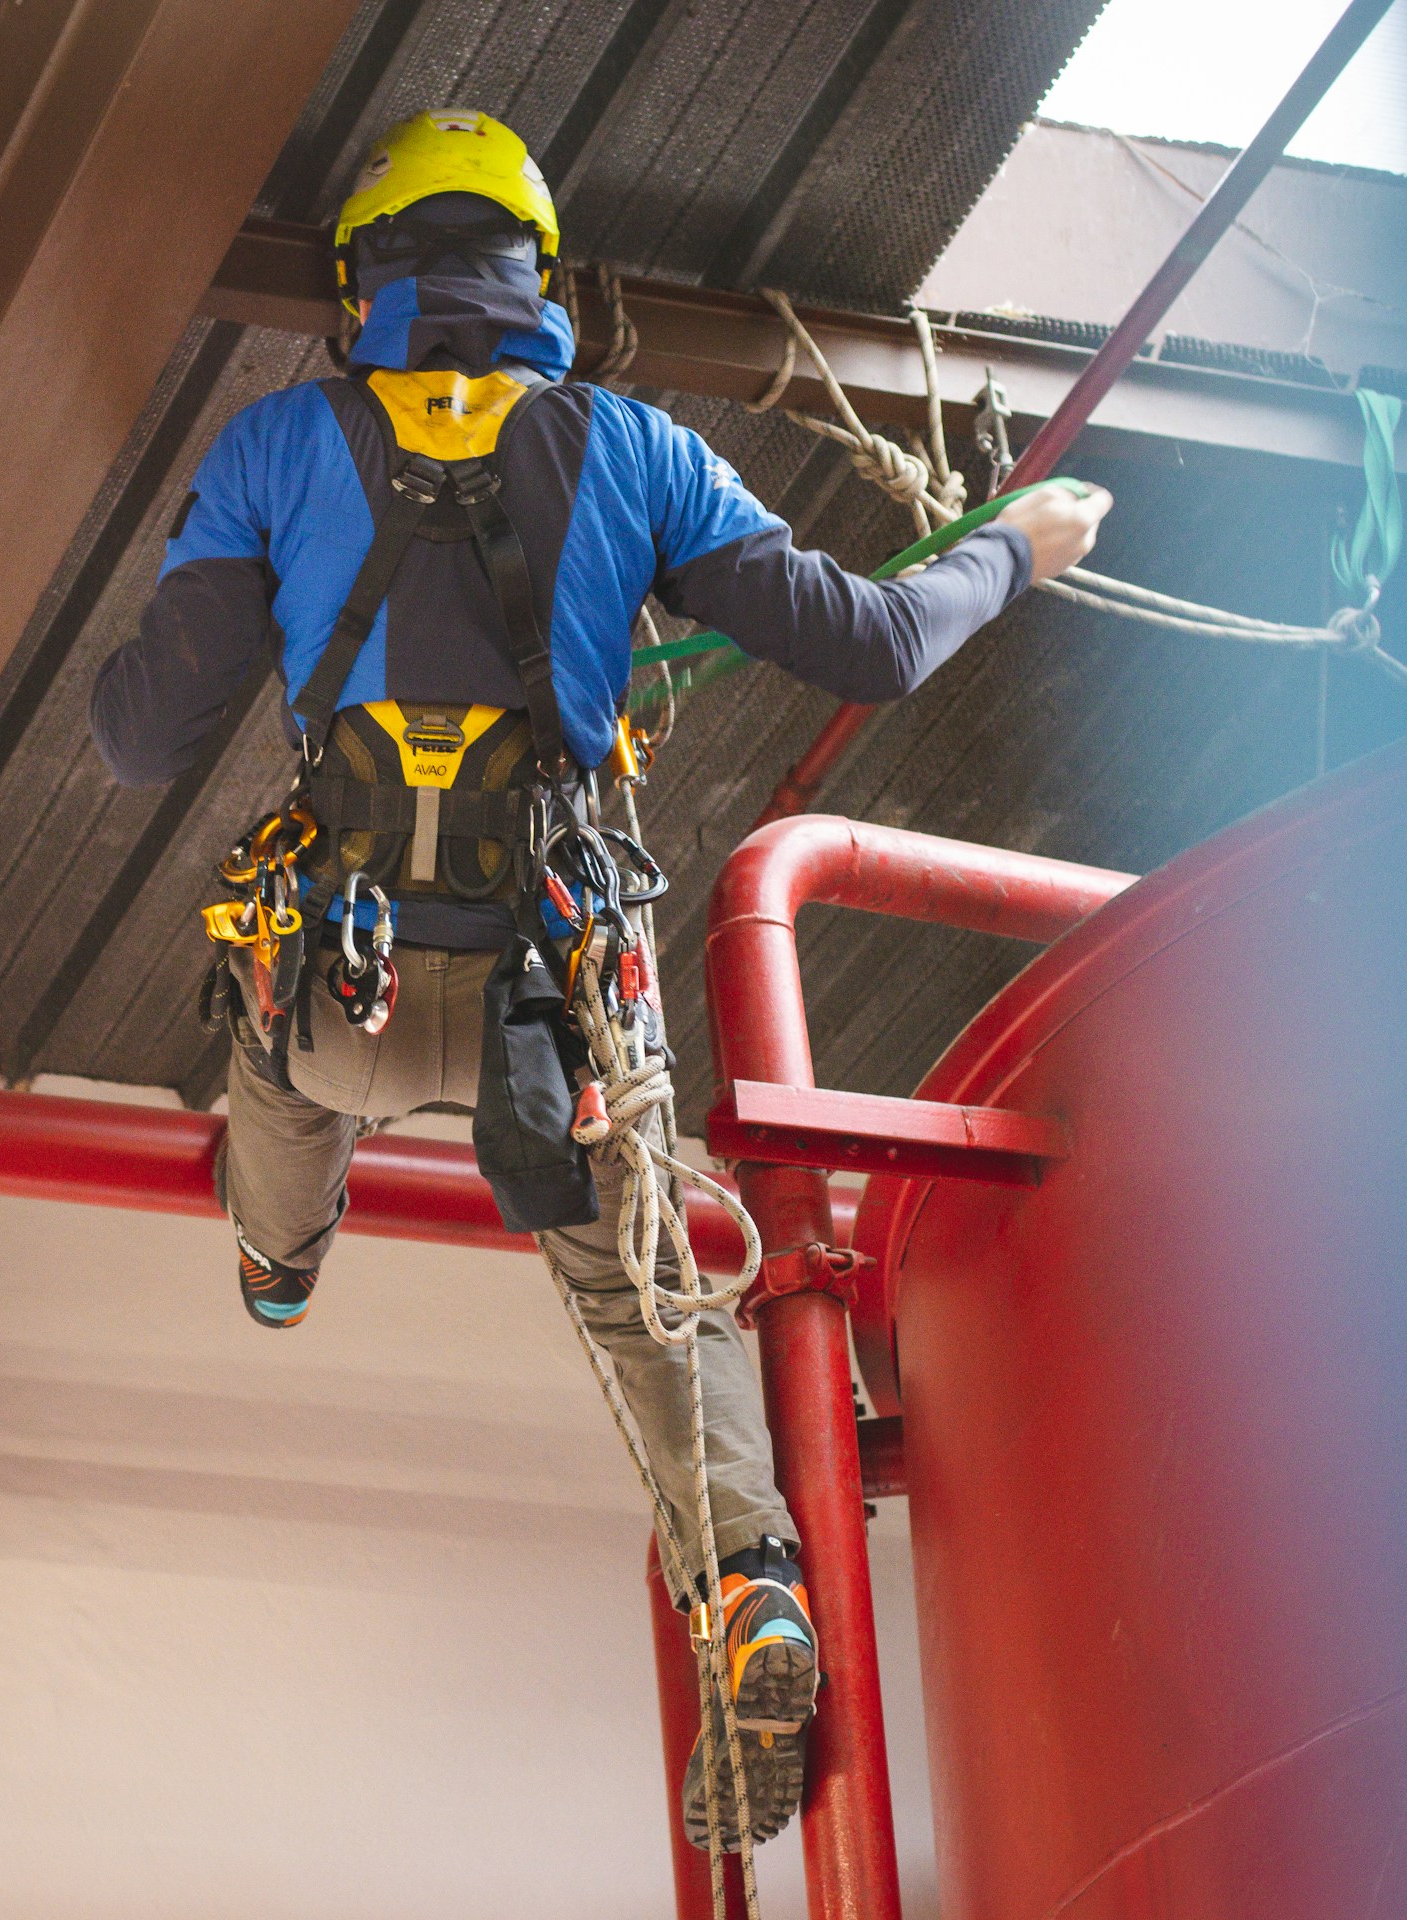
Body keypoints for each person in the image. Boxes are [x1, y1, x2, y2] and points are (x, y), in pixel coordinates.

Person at [91, 107, 1110, 1850]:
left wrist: (248, 581)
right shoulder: (636, 452)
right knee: (650, 1302)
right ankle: (749, 1588)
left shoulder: (276, 446)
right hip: (553, 1026)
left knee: (261, 1065)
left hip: (339, 1006)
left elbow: (135, 737)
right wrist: (1015, 544)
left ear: (363, 283)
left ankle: (279, 1257)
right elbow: (867, 639)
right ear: (540, 277)